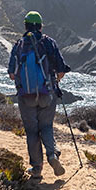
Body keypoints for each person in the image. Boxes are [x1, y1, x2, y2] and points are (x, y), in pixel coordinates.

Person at [8, 11, 70, 179]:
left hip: (25, 95)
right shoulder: (49, 42)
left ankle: (36, 169)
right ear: (41, 26)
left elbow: (12, 74)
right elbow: (61, 69)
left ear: (26, 25)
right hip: (47, 93)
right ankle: (52, 155)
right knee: (47, 127)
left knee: (32, 131)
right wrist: (54, 80)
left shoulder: (19, 45)